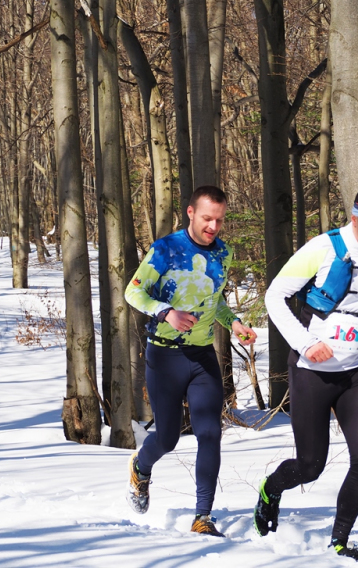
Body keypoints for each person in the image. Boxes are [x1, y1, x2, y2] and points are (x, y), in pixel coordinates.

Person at [255, 185, 358, 563]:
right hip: (311, 372)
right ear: (355, 218)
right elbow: (274, 296)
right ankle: (270, 489)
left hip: (354, 374)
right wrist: (306, 343)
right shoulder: (323, 248)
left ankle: (340, 543)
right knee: (310, 466)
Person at [124, 185, 256, 537]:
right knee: (167, 439)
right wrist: (166, 312)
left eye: (220, 220)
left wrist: (234, 323)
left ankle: (203, 517)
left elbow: (215, 300)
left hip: (201, 357)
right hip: (164, 356)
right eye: (207, 218)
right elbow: (133, 291)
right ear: (191, 213)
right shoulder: (166, 249)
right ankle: (140, 467)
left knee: (210, 433)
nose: (213, 226)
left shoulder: (223, 253)